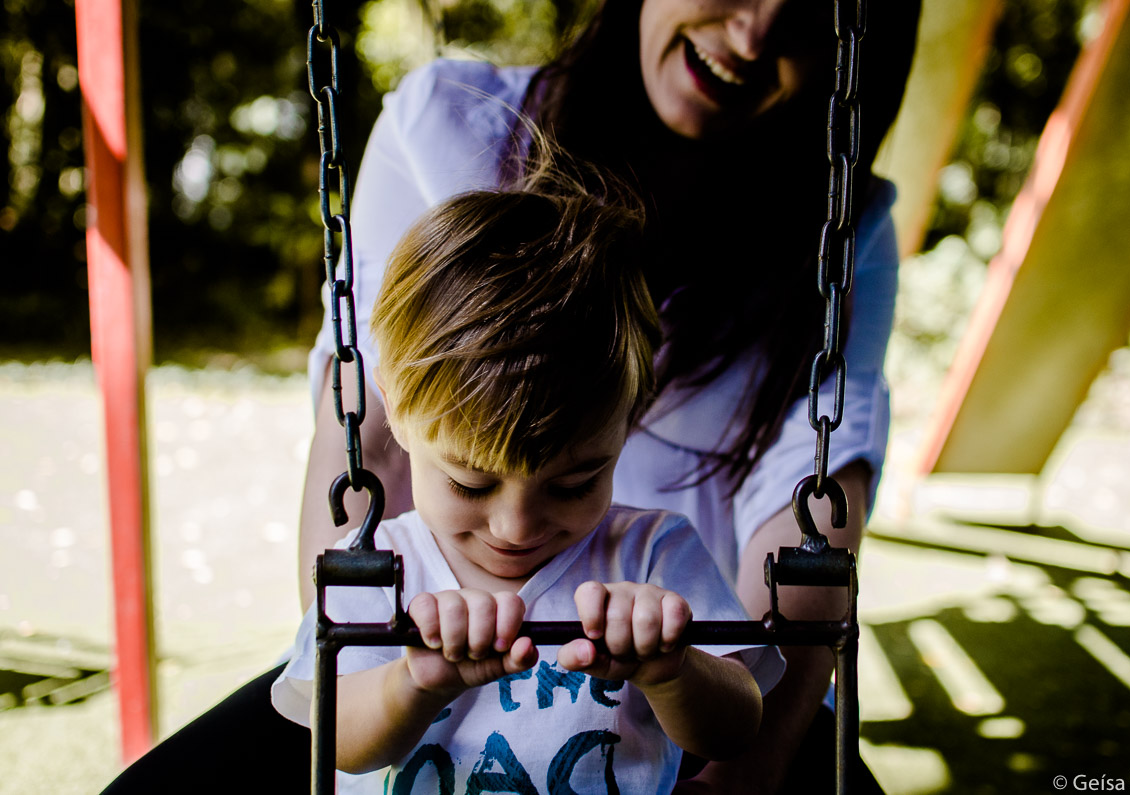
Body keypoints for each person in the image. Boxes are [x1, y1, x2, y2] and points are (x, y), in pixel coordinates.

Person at [102, 0, 921, 791]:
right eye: (469, 481)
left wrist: (709, 725)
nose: (754, 32)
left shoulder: (838, 227)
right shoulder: (445, 127)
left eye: (573, 479)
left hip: (662, 657)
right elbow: (366, 434)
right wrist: (397, 666)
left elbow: (811, 504)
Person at [273, 183, 782, 793]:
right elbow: (339, 744)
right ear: (397, 409)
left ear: (630, 415)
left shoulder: (653, 555)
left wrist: (674, 671)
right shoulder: (379, 571)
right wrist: (412, 681)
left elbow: (737, 726)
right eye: (469, 482)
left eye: (572, 485)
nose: (517, 527)